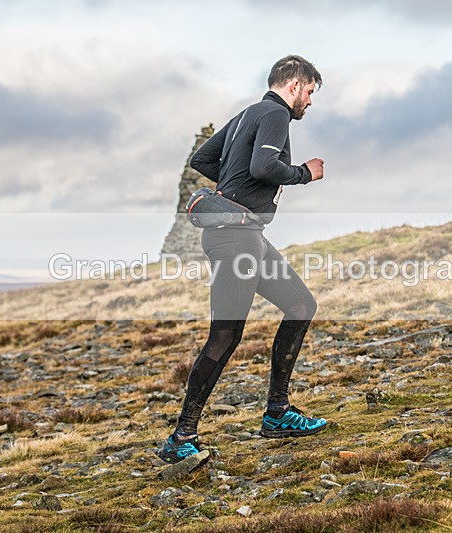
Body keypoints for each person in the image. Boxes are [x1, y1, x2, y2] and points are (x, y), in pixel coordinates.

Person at [158, 55, 326, 464]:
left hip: (245, 235)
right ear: (294, 85)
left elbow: (202, 160)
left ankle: (277, 413)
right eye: (309, 92)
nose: (309, 102)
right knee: (225, 336)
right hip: (236, 239)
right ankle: (181, 436)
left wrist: (233, 185)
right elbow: (265, 165)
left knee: (301, 305)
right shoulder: (274, 113)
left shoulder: (245, 115)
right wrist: (305, 172)